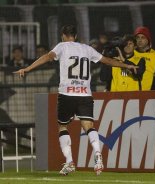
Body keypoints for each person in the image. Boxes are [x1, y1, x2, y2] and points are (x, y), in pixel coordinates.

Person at [13, 25, 138, 176]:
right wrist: (127, 65)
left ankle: (70, 161)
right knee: (88, 126)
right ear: (76, 36)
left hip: (67, 93)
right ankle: (98, 155)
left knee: (63, 127)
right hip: (85, 94)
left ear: (63, 35)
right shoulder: (87, 49)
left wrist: (27, 69)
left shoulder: (62, 46)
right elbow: (107, 61)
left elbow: (47, 57)